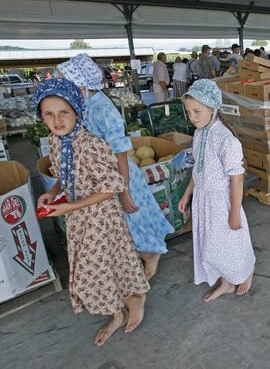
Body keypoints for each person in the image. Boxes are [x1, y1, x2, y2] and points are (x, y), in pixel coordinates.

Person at [34, 78, 149, 346]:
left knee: (100, 267)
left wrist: (70, 206)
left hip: (101, 217)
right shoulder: (55, 141)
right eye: (48, 114)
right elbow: (65, 175)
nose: (57, 120)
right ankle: (117, 312)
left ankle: (133, 301)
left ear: (76, 110)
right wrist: (54, 192)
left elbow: (114, 186)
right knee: (101, 268)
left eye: (63, 112)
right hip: (78, 217)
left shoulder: (91, 145)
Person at [57, 53, 174, 279]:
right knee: (118, 226)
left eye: (65, 81)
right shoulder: (82, 104)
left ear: (80, 83)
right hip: (100, 176)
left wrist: (125, 191)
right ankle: (139, 257)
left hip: (118, 175)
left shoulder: (102, 109)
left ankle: (149, 255)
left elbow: (120, 153)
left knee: (130, 222)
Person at [178, 79, 256, 302]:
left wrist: (234, 211)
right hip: (203, 201)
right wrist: (187, 194)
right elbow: (198, 168)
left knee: (231, 243)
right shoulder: (200, 133)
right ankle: (226, 282)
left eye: (197, 111)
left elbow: (237, 180)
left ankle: (246, 270)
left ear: (213, 109)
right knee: (212, 246)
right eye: (189, 112)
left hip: (223, 203)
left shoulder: (226, 140)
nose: (192, 117)